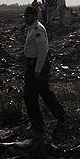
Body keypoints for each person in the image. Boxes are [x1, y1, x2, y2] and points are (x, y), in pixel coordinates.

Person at [22, 7, 66, 136]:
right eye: (25, 16)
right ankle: (53, 118)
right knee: (39, 93)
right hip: (34, 63)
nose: (26, 18)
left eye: (28, 16)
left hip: (37, 64)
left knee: (32, 95)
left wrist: (37, 69)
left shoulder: (37, 29)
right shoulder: (32, 28)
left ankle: (41, 124)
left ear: (35, 16)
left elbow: (42, 50)